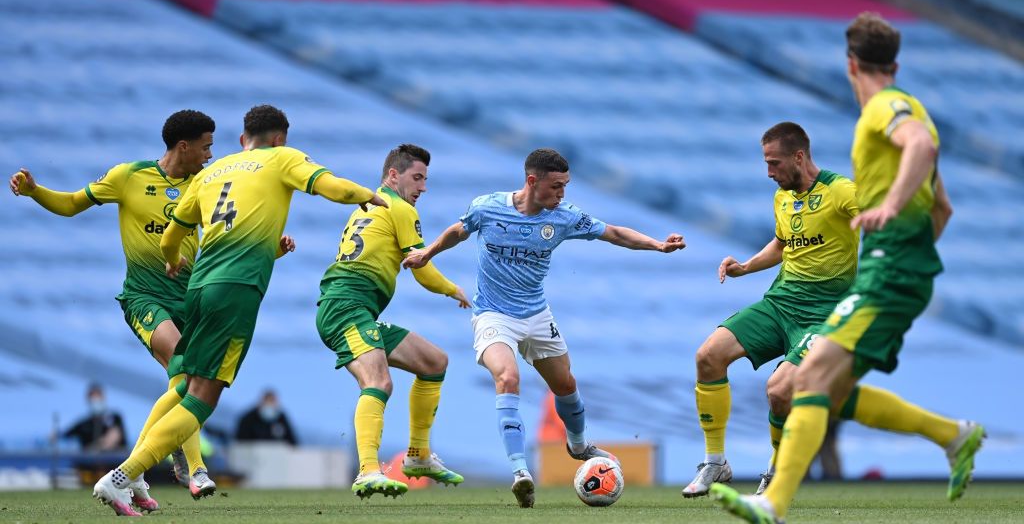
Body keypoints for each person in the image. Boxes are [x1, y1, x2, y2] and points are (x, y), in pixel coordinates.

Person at [711, 12, 985, 523]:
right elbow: (942, 207)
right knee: (820, 386)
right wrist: (912, 255)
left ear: (850, 64)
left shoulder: (884, 108)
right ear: (895, 63)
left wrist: (889, 219)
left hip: (889, 272)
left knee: (805, 381)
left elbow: (919, 151)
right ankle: (954, 435)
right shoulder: (916, 112)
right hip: (898, 269)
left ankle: (771, 504)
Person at [90, 104, 386, 516]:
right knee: (201, 398)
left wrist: (173, 260)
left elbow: (172, 234)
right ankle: (123, 475)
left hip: (198, 288)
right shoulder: (283, 157)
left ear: (242, 136)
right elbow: (330, 186)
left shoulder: (213, 171)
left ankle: (136, 474)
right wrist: (368, 196)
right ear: (280, 137)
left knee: (182, 384)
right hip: (236, 292)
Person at [403, 148, 685, 508]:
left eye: (566, 186)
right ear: (532, 181)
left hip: (536, 315)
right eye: (556, 186)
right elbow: (459, 231)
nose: (562, 194)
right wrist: (427, 254)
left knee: (565, 385)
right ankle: (521, 473)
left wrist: (658, 245)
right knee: (507, 378)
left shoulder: (564, 217)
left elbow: (612, 232)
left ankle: (579, 445)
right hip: (494, 315)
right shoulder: (488, 206)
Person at [10, 109, 216, 511]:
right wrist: (36, 190)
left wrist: (271, 246)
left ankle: (135, 472)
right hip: (145, 298)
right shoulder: (129, 177)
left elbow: (228, 233)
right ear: (184, 146)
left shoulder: (205, 186)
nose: (210, 155)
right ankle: (195, 467)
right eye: (206, 147)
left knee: (185, 385)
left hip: (189, 299)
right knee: (185, 368)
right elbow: (71, 204)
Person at [682, 122, 859, 498]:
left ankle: (777, 472)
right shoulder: (783, 197)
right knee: (708, 356)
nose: (769, 172)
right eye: (766, 163)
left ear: (799, 157)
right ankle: (716, 462)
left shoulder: (840, 191)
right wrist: (745, 267)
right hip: (780, 303)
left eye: (774, 163)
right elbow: (783, 243)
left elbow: (881, 218)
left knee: (779, 390)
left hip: (825, 313)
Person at [317, 143, 471, 499]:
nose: (423, 187)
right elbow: (420, 269)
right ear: (393, 175)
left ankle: (417, 456)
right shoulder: (399, 208)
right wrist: (453, 289)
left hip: (356, 309)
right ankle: (368, 470)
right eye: (417, 177)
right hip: (345, 307)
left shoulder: (369, 205)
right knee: (379, 381)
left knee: (434, 362)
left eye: (425, 179)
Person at [60, 384, 128, 451]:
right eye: (92, 398)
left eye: (98, 397)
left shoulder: (115, 418)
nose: (95, 401)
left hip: (113, 461)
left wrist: (96, 446)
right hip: (88, 461)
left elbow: (112, 439)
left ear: (103, 398)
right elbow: (63, 436)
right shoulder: (84, 425)